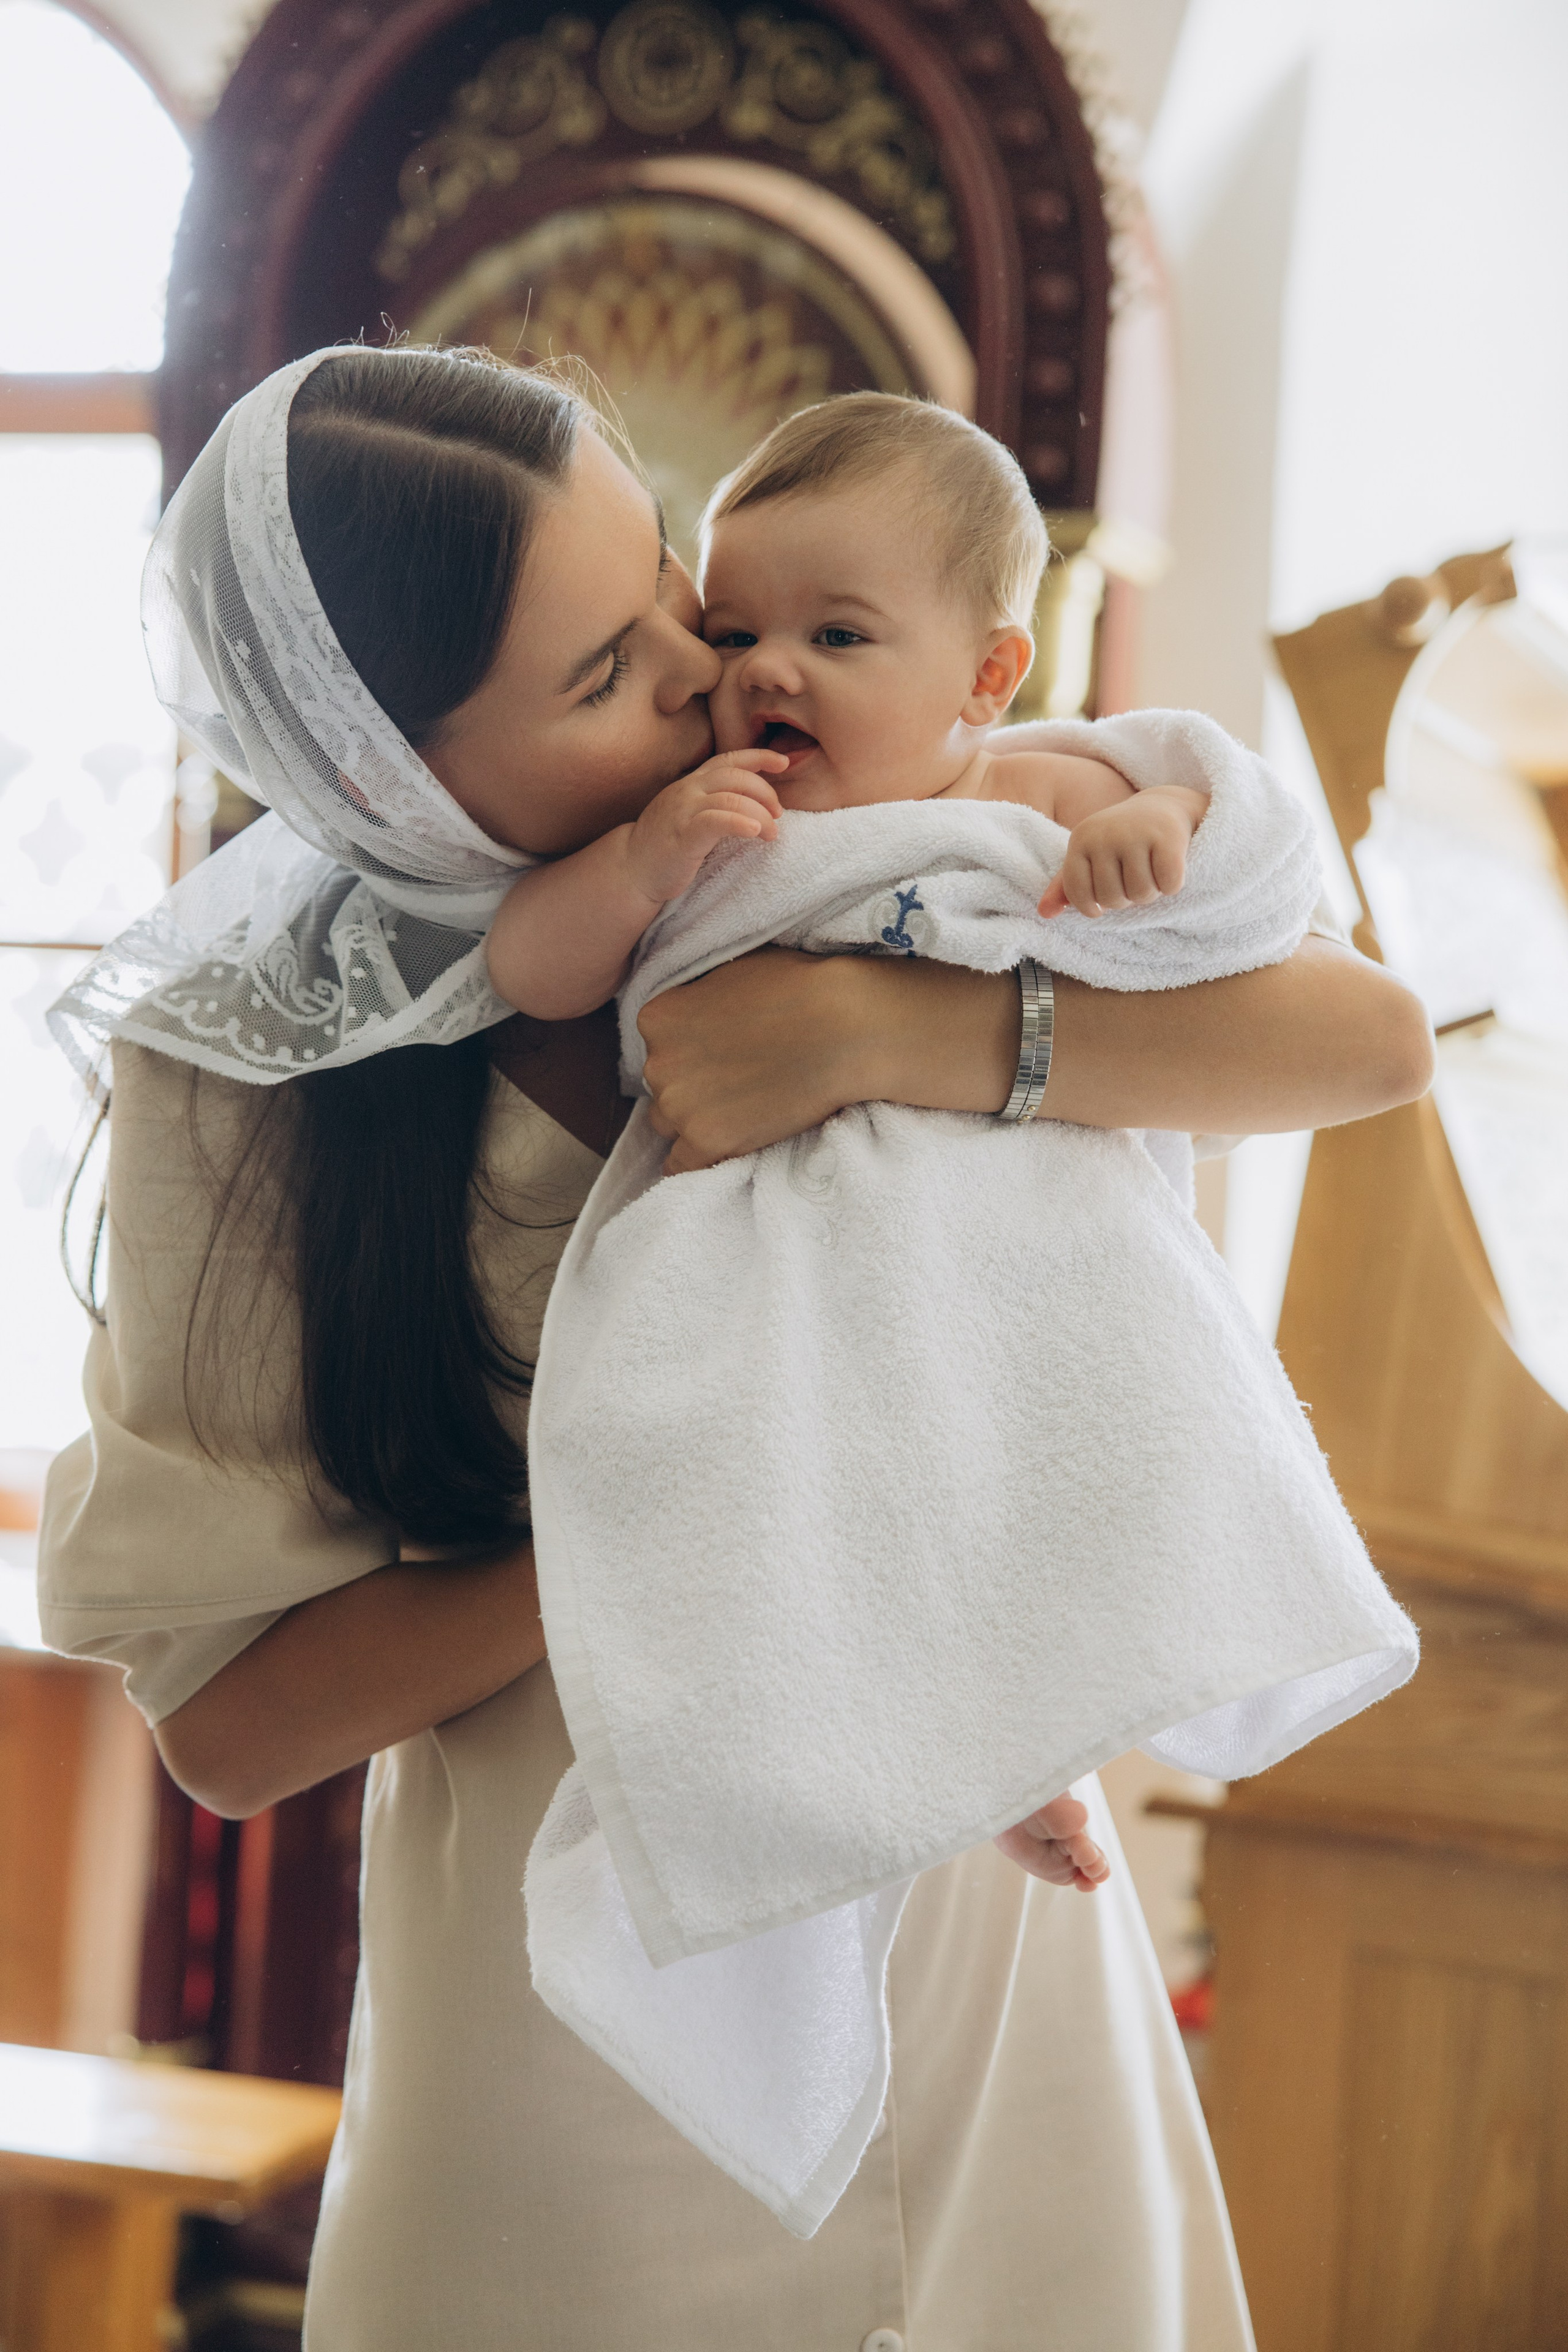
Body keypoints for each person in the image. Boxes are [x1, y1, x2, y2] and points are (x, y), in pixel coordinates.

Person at [38, 344, 1433, 2352]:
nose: (721, 687)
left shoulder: (874, 856)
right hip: (584, 2026)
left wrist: (894, 1040)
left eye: (672, 604)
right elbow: (237, 1732)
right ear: (384, 774)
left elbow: (1365, 1039)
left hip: (991, 1928)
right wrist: (686, 1530)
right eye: (608, 676)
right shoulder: (258, 1091)